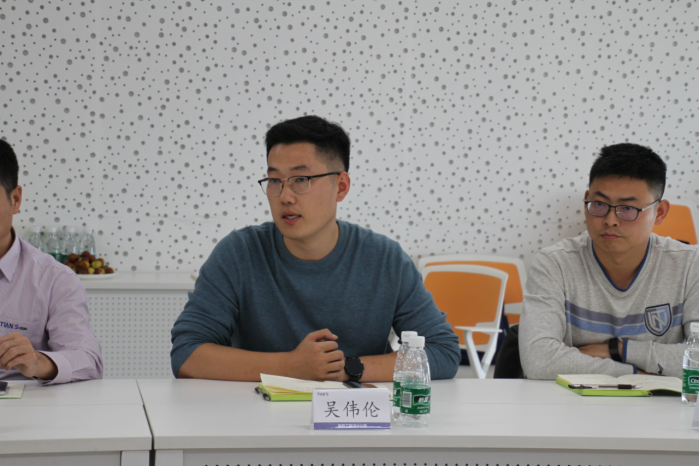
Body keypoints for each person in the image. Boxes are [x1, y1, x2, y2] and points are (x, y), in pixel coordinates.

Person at [171, 115, 460, 382]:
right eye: (275, 180)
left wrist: (346, 368)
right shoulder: (239, 253)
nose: (285, 196)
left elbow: (443, 351)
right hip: (258, 414)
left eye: (301, 180)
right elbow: (187, 353)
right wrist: (290, 366)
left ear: (341, 187)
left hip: (355, 416)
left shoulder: (385, 259)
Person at [520, 143, 699, 379]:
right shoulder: (554, 264)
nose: (610, 220)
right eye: (599, 204)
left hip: (659, 402)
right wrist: (636, 374)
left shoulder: (690, 265)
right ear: (586, 201)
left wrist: (619, 350)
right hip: (568, 401)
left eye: (628, 208)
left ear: (660, 212)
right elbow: (539, 360)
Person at [0, 139, 103, 384]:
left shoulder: (54, 279)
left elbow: (88, 361)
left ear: (15, 200)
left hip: (22, 401)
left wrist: (39, 362)